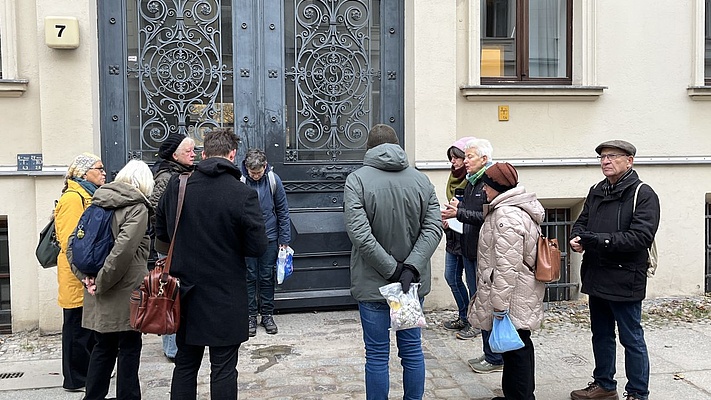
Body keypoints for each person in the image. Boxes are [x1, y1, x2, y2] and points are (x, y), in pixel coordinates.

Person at [155, 127, 268, 399]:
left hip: (185, 293)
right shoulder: (242, 194)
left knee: (185, 365)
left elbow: (160, 233)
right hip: (226, 295)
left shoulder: (177, 186)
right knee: (224, 368)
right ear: (232, 155)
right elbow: (258, 246)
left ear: (203, 154)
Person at [344, 124, 443, 400]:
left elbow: (360, 235)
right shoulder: (421, 180)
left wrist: (392, 268)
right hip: (409, 286)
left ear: (368, 148)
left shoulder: (357, 180)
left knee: (376, 355)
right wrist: (410, 268)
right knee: (412, 351)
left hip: (374, 283)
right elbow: (434, 228)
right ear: (397, 145)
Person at [569, 140, 660, 400]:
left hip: (625, 276)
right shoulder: (597, 190)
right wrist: (577, 237)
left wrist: (597, 240)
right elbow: (582, 221)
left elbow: (640, 237)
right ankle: (604, 385)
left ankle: (637, 393)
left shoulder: (643, 193)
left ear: (629, 160)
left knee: (631, 339)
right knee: (601, 334)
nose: (605, 161)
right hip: (597, 273)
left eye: (612, 156)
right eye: (602, 157)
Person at [70, 159, 154, 400]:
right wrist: (101, 283)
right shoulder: (137, 207)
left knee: (103, 348)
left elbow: (71, 245)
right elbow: (123, 252)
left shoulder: (96, 201)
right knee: (128, 349)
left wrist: (87, 280)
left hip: (99, 290)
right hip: (125, 292)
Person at [469, 162, 545, 400]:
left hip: (513, 294)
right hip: (519, 290)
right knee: (517, 346)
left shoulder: (506, 216)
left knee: (517, 348)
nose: (483, 190)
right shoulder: (510, 209)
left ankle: (521, 396)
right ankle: (515, 394)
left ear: (496, 187)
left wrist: (499, 306)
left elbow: (506, 266)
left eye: (487, 185)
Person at [441, 138, 504, 373]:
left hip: (483, 253)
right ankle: (490, 354)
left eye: (469, 157)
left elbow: (488, 218)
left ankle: (495, 357)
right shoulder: (472, 181)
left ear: (484, 159)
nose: (464, 161)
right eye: (464, 157)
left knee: (487, 304)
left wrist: (460, 213)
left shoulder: (489, 184)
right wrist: (453, 216)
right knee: (480, 302)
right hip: (469, 249)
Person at [54, 152, 104, 392]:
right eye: (99, 168)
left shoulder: (88, 195)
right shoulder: (74, 198)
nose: (104, 172)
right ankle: (75, 379)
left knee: (86, 329)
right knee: (76, 329)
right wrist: (85, 273)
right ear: (85, 173)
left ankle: (87, 374)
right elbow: (70, 241)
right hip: (77, 276)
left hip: (84, 274)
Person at [148, 133, 196, 361]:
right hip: (169, 245)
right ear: (174, 154)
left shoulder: (181, 173)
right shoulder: (167, 177)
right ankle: (172, 348)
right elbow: (158, 213)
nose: (194, 154)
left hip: (177, 244)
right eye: (189, 151)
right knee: (168, 293)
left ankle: (177, 342)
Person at [240, 148, 291, 336]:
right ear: (246, 168)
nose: (255, 176)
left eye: (258, 172)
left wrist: (284, 239)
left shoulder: (273, 180)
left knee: (267, 276)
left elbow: (283, 211)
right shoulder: (241, 181)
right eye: (252, 173)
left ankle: (267, 314)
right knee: (249, 276)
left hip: (270, 237)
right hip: (247, 238)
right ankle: (250, 316)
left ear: (265, 166)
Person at [441, 137, 476, 336]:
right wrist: (447, 219)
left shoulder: (473, 180)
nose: (453, 162)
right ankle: (463, 316)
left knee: (473, 283)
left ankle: (474, 321)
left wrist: (457, 213)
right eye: (451, 158)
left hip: (468, 237)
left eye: (457, 158)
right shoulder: (452, 178)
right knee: (451, 277)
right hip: (453, 235)